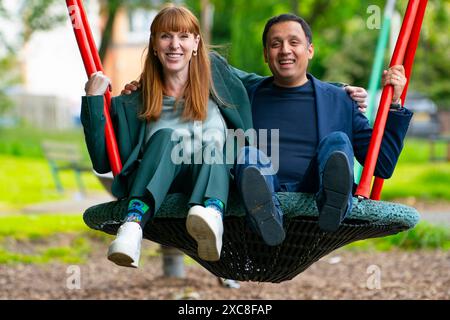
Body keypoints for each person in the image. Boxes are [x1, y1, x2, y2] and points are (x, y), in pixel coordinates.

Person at [81, 5, 252, 267]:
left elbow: (271, 81)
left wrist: (335, 90)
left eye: (183, 36)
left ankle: (211, 218)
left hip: (210, 178)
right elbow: (102, 161)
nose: (174, 45)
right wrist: (93, 99)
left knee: (213, 149)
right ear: (153, 44)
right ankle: (132, 228)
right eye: (165, 36)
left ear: (196, 43)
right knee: (166, 137)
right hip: (158, 184)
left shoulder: (217, 75)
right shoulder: (131, 103)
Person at [229, 13, 412, 244]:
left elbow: (382, 164)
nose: (285, 50)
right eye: (276, 44)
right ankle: (265, 215)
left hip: (315, 184)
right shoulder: (245, 97)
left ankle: (332, 203)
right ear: (266, 55)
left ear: (310, 50)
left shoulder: (341, 100)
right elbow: (211, 66)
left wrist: (394, 104)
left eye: (294, 42)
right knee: (249, 156)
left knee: (337, 142)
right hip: (265, 186)